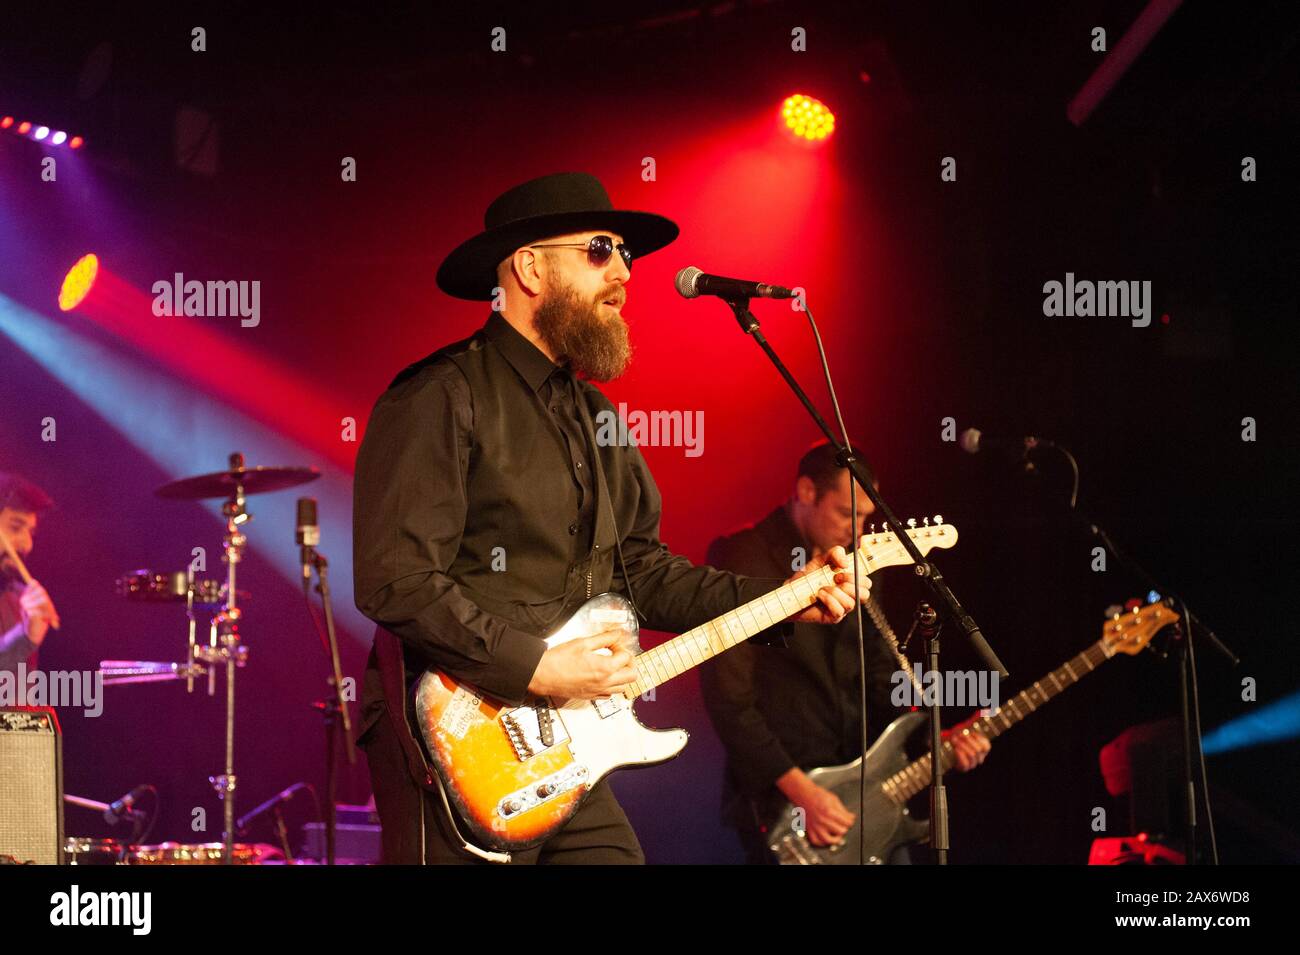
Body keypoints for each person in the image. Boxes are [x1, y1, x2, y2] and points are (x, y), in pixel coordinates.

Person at [352, 172, 870, 864]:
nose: (625, 272)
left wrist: (789, 598)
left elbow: (643, 570)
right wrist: (536, 667)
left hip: (566, 746)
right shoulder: (440, 397)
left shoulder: (594, 416)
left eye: (625, 254)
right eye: (601, 250)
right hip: (456, 745)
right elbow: (397, 579)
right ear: (531, 268)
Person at [702, 440, 990, 863]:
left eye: (864, 517)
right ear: (805, 492)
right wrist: (804, 793)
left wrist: (935, 741)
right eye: (845, 513)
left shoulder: (858, 566)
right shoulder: (743, 556)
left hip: (866, 790)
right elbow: (728, 699)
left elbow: (876, 679)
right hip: (788, 798)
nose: (856, 529)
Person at [0, 472, 60, 674]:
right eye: (15, 527)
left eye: (31, 532)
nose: (27, 544)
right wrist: (24, 639)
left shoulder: (19, 598)